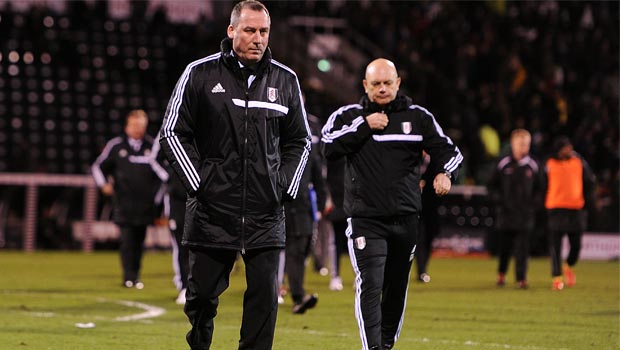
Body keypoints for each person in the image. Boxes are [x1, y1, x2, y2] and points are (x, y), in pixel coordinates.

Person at [158, 1, 311, 349]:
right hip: (213, 212)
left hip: (265, 213)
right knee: (201, 299)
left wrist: (283, 186)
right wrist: (200, 184)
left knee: (264, 299)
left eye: (263, 31)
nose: (257, 38)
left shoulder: (286, 80)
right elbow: (171, 132)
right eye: (249, 30)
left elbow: (300, 141)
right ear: (231, 31)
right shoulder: (199, 73)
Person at [321, 58, 463, 350]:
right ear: (365, 85)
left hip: (406, 219)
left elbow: (450, 152)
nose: (383, 89)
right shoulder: (349, 116)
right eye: (376, 84)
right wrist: (364, 126)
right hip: (365, 219)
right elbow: (326, 146)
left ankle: (384, 345)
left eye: (388, 83)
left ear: (398, 83)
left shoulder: (419, 117)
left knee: (396, 288)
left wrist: (444, 173)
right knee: (371, 285)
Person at [91, 109, 169, 289]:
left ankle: (136, 275)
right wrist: (104, 184)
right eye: (134, 125)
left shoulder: (152, 146)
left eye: (141, 125)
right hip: (123, 203)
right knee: (127, 240)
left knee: (140, 241)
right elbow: (98, 167)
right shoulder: (116, 146)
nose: (137, 129)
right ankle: (128, 276)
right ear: (127, 125)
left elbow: (162, 175)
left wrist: (157, 197)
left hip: (145, 205)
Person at [487, 129, 543, 289]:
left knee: (523, 250)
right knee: (505, 248)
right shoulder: (503, 163)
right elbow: (491, 187)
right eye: (520, 143)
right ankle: (501, 274)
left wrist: (533, 206)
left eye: (526, 143)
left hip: (525, 215)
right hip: (506, 215)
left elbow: (540, 189)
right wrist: (500, 201)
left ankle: (521, 278)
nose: (523, 146)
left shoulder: (534, 165)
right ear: (512, 144)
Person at [283, 112, 326, 314]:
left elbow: (319, 181)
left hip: (302, 210)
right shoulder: (276, 147)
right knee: (285, 254)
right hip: (279, 209)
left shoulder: (308, 152)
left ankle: (296, 294)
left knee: (299, 253)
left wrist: (318, 208)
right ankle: (294, 295)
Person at [544, 136, 595, 291]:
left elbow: (590, 181)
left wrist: (586, 200)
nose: (569, 150)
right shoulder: (549, 163)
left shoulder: (579, 161)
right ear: (558, 150)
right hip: (556, 208)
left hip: (575, 208)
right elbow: (541, 184)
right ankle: (557, 278)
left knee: (576, 246)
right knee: (555, 246)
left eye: (570, 147)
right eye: (566, 148)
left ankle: (569, 264)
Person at [415, 151, 441, 283]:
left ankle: (424, 268)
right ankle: (421, 270)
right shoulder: (411, 156)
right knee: (419, 239)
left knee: (429, 238)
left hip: (430, 207)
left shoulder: (433, 160)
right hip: (413, 207)